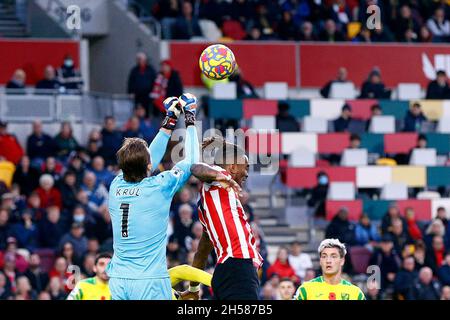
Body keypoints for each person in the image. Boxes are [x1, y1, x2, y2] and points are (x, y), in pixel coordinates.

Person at [106, 94, 212, 300]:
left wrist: (170, 120)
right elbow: (192, 161)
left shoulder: (115, 185)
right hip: (149, 281)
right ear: (148, 166)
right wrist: (190, 116)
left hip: (118, 280)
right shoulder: (160, 186)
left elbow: (144, 162)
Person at [187, 137, 263, 301]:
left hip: (224, 271)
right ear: (233, 168)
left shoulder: (209, 206)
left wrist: (193, 289)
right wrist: (222, 177)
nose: (247, 173)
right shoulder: (220, 178)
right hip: (238, 266)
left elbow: (202, 252)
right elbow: (195, 168)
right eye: (246, 167)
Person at [294, 239, 365, 300]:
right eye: (324, 256)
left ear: (342, 261)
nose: (328, 260)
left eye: (333, 256)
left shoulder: (355, 293)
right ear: (320, 261)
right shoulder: (305, 289)